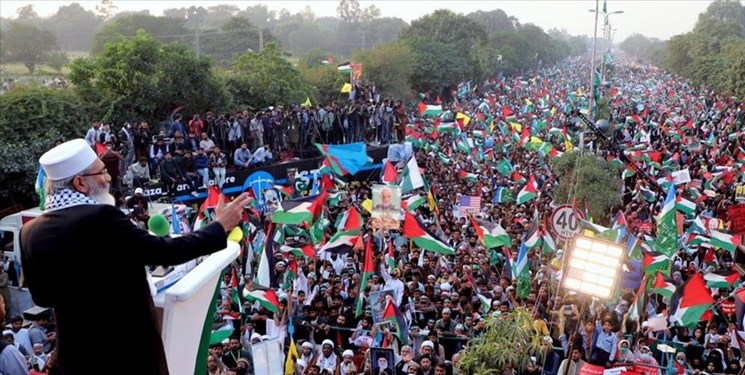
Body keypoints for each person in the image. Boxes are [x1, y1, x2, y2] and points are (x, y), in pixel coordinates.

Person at [20, 138, 250, 375]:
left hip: (75, 356)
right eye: (102, 171)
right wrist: (219, 227)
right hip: (125, 353)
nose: (108, 178)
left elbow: (43, 297)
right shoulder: (101, 217)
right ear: (80, 183)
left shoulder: (29, 232)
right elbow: (166, 251)